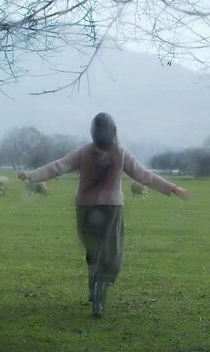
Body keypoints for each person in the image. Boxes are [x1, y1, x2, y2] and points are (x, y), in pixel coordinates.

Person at [18, 112, 190, 318]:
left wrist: (32, 175)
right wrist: (171, 187)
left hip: (85, 208)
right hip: (110, 209)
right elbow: (144, 175)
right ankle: (99, 296)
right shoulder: (120, 152)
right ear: (113, 131)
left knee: (94, 250)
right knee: (109, 254)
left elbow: (58, 167)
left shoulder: (85, 151)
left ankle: (94, 286)